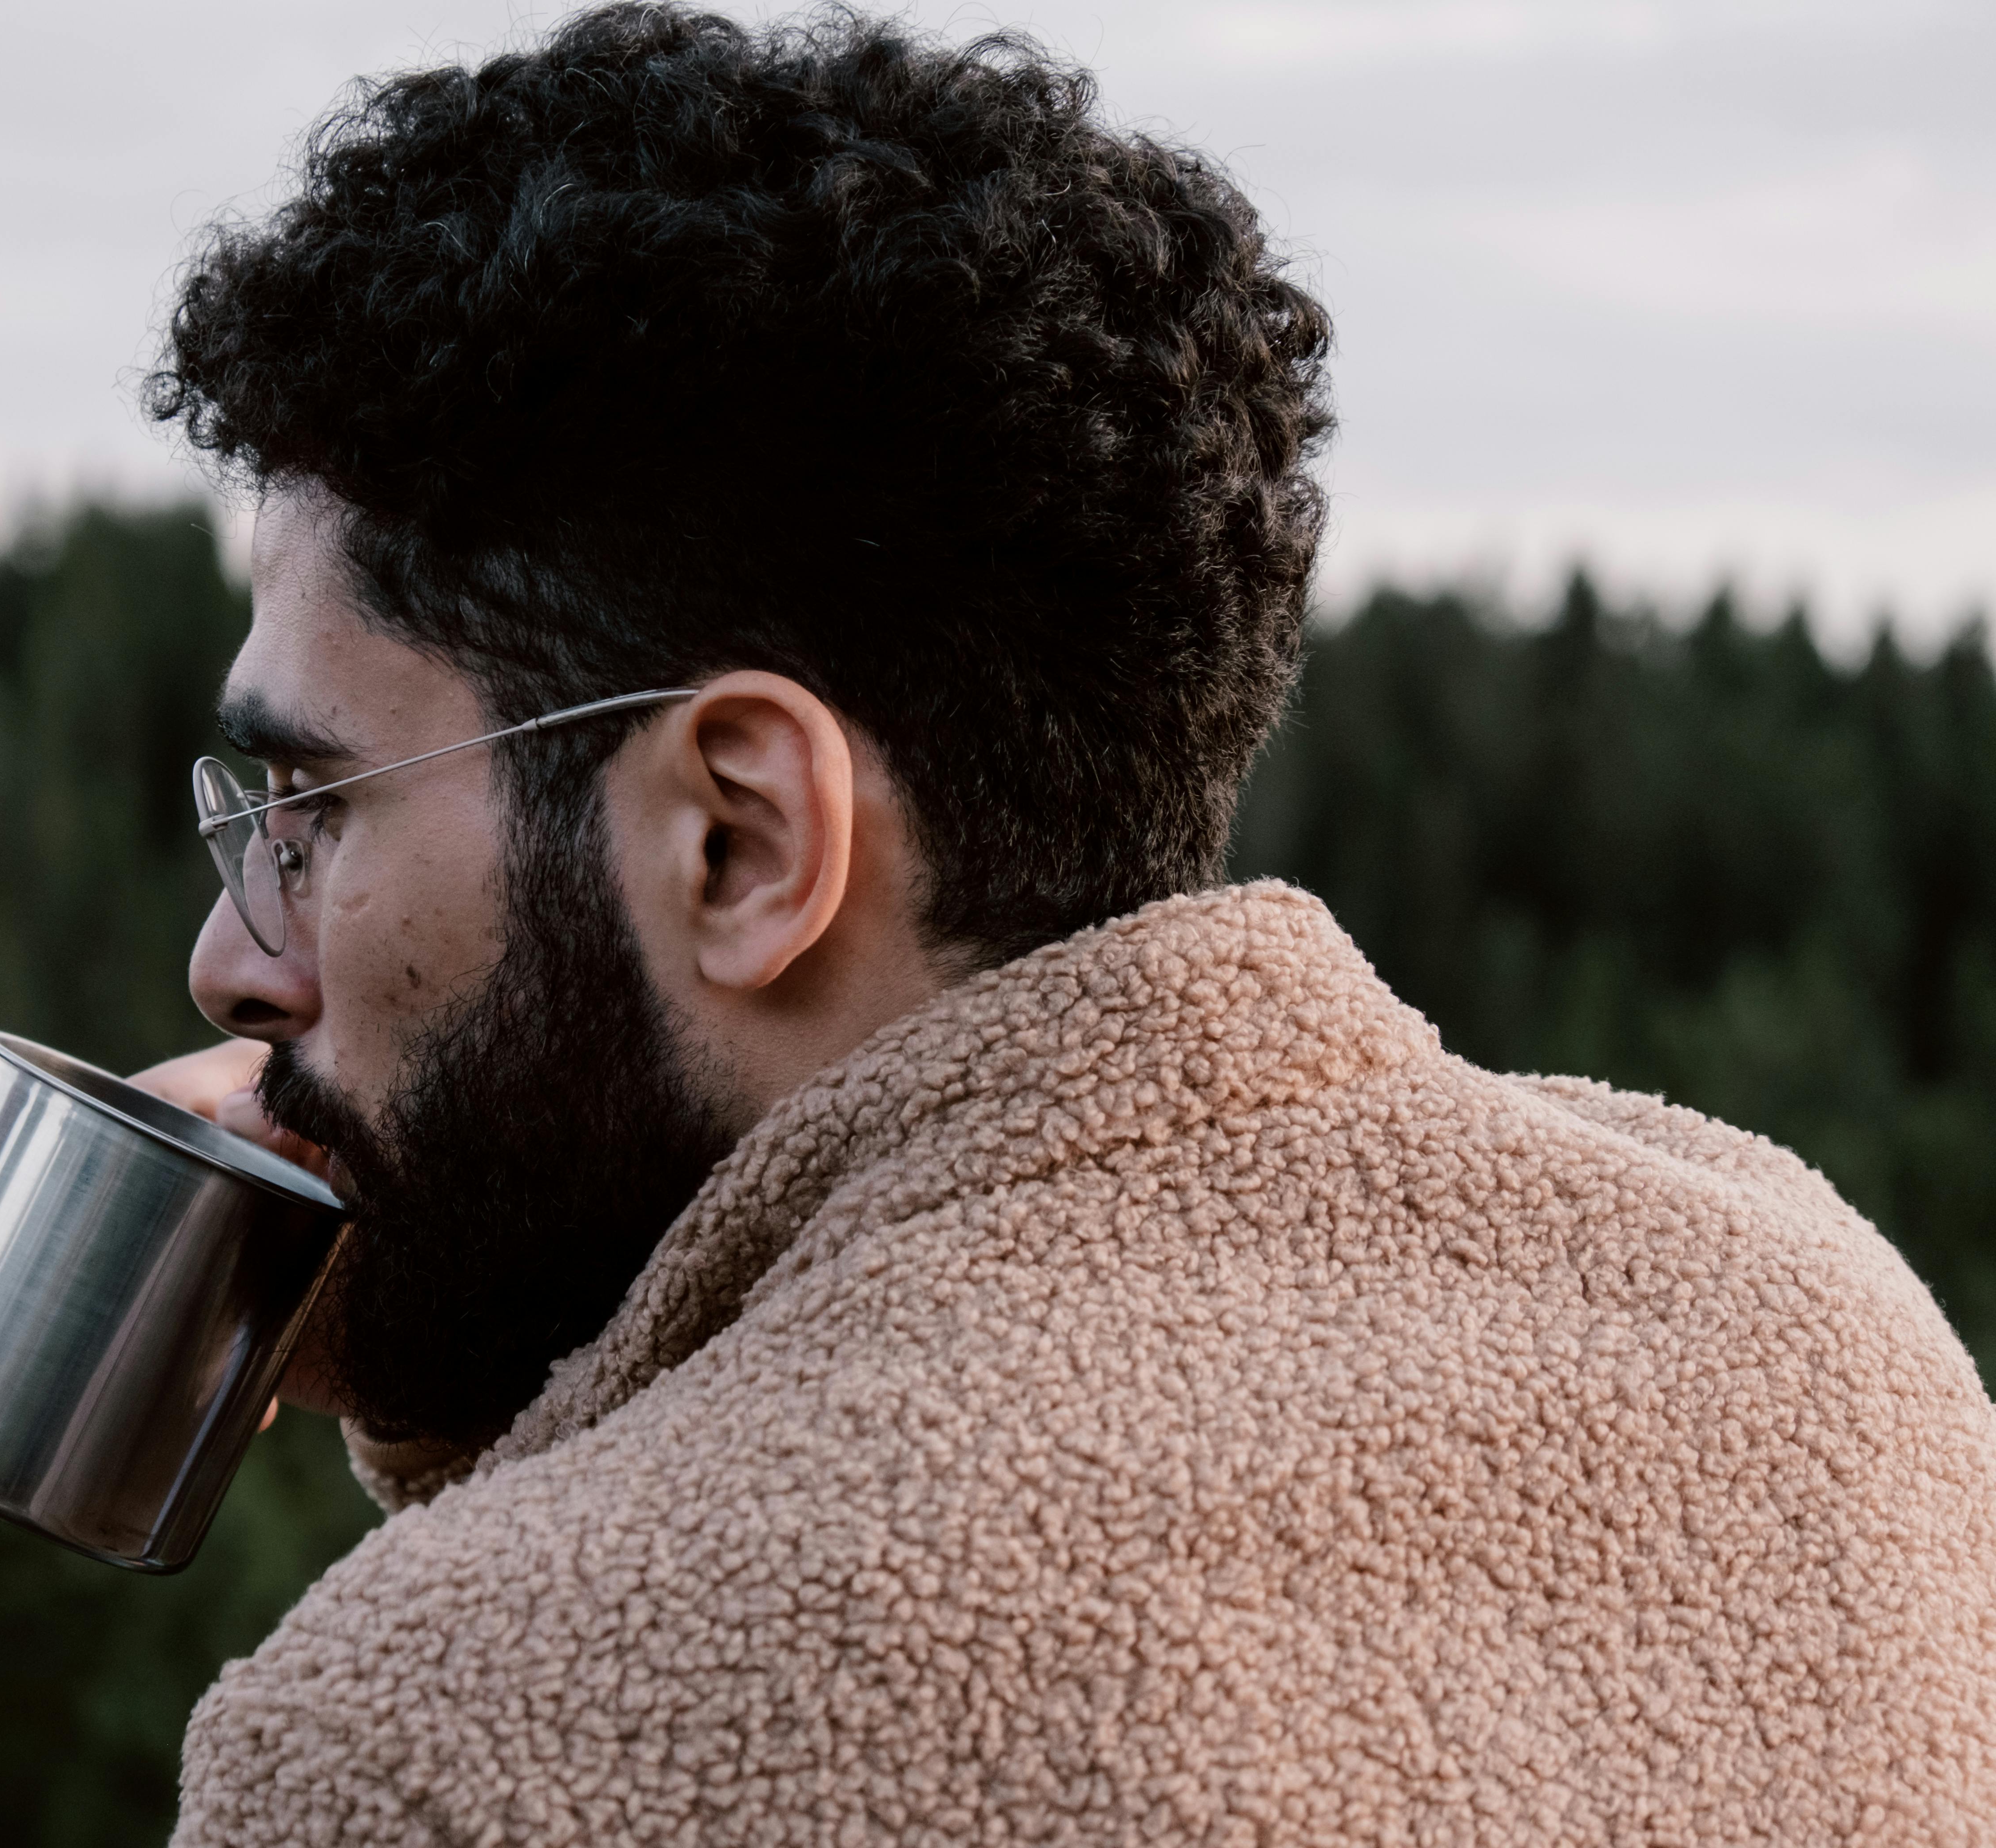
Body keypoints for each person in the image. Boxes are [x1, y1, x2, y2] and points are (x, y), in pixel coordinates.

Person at [131, 5, 1996, 1840]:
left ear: (740, 838)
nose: (237, 958)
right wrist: (474, 1353)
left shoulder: (433, 1739)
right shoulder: (1820, 1332)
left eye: (312, 810)